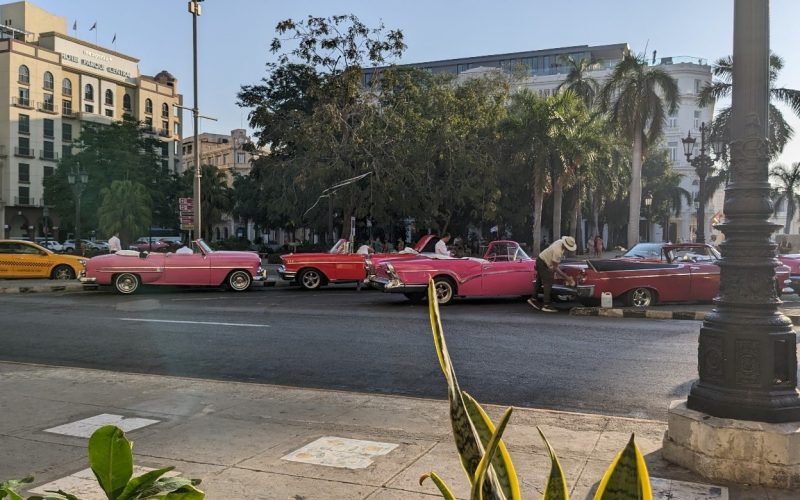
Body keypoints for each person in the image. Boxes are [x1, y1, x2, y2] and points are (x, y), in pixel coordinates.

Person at [528, 236, 577, 313]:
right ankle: (546, 305)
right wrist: (567, 278)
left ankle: (533, 299)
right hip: (543, 263)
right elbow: (555, 268)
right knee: (548, 282)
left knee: (540, 280)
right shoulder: (558, 251)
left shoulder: (560, 242)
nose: (568, 250)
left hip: (540, 259)